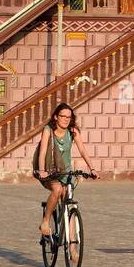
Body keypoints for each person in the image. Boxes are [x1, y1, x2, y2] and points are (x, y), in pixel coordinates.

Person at [34, 102, 96, 241]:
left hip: (66, 172)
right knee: (57, 190)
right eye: (63, 116)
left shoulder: (73, 131)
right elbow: (43, 152)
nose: (66, 119)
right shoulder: (48, 130)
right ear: (56, 117)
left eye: (69, 117)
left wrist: (92, 169)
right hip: (50, 171)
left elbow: (82, 150)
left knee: (70, 207)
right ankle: (45, 221)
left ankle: (72, 246)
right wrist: (42, 170)